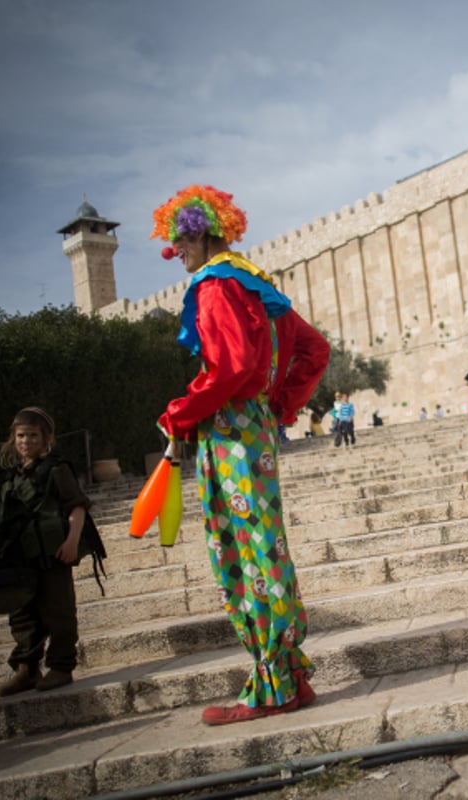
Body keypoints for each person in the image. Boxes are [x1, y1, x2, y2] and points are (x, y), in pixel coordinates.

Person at [152, 184, 330, 725]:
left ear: (200, 233)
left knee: (243, 552)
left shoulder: (215, 287)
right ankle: (290, 676)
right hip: (253, 427)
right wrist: (277, 405)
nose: (174, 253)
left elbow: (227, 370)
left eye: (177, 241)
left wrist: (179, 413)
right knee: (265, 546)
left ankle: (271, 688)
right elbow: (313, 349)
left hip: (229, 431)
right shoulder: (255, 286)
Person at [0, 407, 98, 696]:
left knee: (57, 610)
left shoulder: (57, 469)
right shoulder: (13, 476)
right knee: (22, 613)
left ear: (46, 437)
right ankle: (26, 668)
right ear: (13, 438)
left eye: (33, 435)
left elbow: (76, 506)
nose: (26, 441)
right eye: (21, 435)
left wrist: (72, 540)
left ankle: (61, 666)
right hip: (20, 558)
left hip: (52, 554)